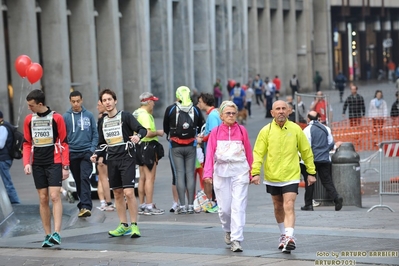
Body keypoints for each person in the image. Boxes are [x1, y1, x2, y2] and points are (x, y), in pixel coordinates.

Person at [251, 100, 316, 254]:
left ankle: (290, 237)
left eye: (283, 109)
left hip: (291, 174)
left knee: (288, 204)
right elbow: (258, 153)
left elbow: (306, 151)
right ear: (272, 113)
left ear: (289, 111)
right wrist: (255, 172)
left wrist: (311, 172)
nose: (280, 111)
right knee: (278, 206)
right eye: (277, 109)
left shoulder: (296, 129)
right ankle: (283, 235)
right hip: (272, 176)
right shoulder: (265, 131)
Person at [90, 89, 147, 238]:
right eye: (104, 100)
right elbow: (102, 143)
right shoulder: (102, 121)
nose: (107, 102)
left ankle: (134, 225)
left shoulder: (126, 116)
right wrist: (96, 154)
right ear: (102, 104)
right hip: (112, 160)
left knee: (128, 192)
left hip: (127, 158)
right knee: (117, 193)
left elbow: (142, 129)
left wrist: (138, 137)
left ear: (115, 101)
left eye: (109, 99)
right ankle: (123, 225)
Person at [203, 101, 258, 252]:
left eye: (233, 113)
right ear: (221, 115)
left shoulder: (242, 130)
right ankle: (227, 229)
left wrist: (253, 172)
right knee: (225, 209)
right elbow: (209, 154)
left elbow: (248, 151)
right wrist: (207, 173)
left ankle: (236, 239)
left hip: (240, 171)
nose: (231, 116)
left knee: (238, 206)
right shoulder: (214, 132)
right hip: (221, 172)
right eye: (228, 113)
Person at [22, 89, 70, 247]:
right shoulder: (29, 120)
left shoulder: (57, 118)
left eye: (31, 105)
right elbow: (27, 143)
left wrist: (65, 165)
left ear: (40, 104)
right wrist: (26, 163)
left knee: (55, 196)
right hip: (37, 163)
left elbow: (64, 142)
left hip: (54, 161)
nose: (29, 108)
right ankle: (47, 235)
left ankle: (57, 233)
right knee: (43, 198)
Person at [163, 86, 204, 214]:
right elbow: (201, 125)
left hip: (175, 146)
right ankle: (191, 205)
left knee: (179, 174)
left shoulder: (171, 109)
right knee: (190, 174)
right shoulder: (195, 109)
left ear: (178, 96)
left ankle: (181, 205)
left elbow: (165, 128)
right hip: (191, 145)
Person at [63, 91, 98, 218]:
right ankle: (82, 205)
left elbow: (95, 134)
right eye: (73, 101)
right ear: (70, 101)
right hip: (72, 153)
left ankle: (86, 206)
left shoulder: (88, 115)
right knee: (78, 181)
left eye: (78, 101)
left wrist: (91, 149)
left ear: (82, 100)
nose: (76, 103)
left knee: (84, 178)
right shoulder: (66, 117)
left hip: (86, 153)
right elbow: (63, 137)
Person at [301, 111, 343, 211]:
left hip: (312, 160)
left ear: (308, 119)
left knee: (310, 181)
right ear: (318, 118)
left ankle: (308, 204)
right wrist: (324, 151)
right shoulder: (326, 128)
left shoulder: (307, 130)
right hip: (325, 159)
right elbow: (331, 143)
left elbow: (306, 147)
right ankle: (336, 198)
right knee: (327, 181)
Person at [133, 92, 165, 215]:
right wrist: (158, 132)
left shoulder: (136, 112)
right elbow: (147, 132)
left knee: (142, 177)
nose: (154, 104)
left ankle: (142, 204)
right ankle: (149, 205)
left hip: (139, 146)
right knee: (150, 178)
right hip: (148, 146)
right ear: (148, 102)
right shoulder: (145, 115)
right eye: (153, 101)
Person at [196, 93, 222, 202]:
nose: (198, 104)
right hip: (215, 148)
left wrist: (202, 139)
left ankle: (213, 199)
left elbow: (213, 133)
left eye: (200, 102)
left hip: (212, 150)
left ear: (205, 102)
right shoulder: (215, 113)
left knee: (212, 174)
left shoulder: (212, 115)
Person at [95, 100, 114, 211]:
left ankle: (107, 202)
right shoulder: (106, 118)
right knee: (102, 179)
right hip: (107, 150)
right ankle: (104, 202)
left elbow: (101, 139)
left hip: (104, 151)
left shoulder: (103, 119)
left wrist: (101, 154)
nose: (97, 107)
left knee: (103, 178)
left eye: (99, 105)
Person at [0, 110, 21, 204]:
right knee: (5, 182)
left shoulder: (2, 127)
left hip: (3, 159)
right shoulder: (5, 125)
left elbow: (0, 144)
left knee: (7, 183)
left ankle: (16, 203)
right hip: (4, 158)